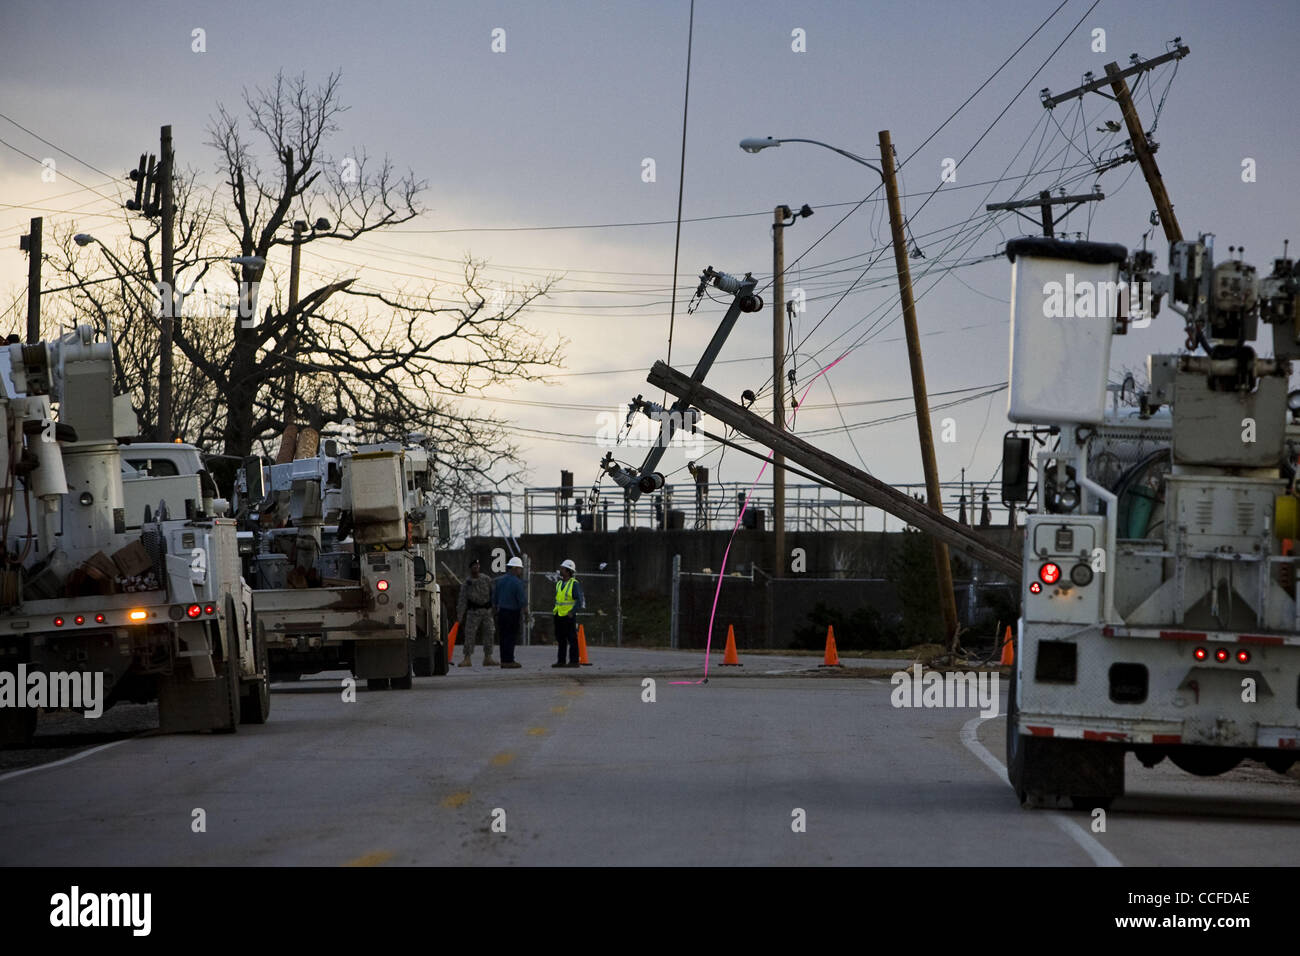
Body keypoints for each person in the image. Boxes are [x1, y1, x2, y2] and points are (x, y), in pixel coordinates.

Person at [456, 557, 496, 667]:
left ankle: (488, 657)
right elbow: (462, 600)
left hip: (487, 611)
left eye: (478, 566)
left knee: (489, 633)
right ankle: (467, 658)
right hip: (473, 612)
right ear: (470, 568)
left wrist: (495, 607)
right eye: (474, 566)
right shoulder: (467, 583)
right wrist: (460, 615)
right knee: (469, 635)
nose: (476, 568)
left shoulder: (486, 579)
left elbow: (493, 593)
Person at [493, 556, 527, 668]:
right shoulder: (517, 582)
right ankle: (509, 660)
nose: (520, 571)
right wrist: (526, 612)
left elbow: (494, 597)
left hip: (501, 612)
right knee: (511, 637)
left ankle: (504, 660)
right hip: (513, 613)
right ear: (515, 568)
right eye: (519, 568)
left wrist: (495, 610)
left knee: (503, 637)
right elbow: (521, 599)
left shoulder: (500, 581)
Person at [551, 558, 584, 668]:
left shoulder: (574, 584)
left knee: (572, 638)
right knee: (561, 639)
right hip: (559, 615)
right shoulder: (559, 584)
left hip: (568, 616)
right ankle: (561, 661)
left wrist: (572, 611)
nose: (561, 570)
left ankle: (574, 661)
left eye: (563, 568)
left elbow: (579, 600)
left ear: (568, 570)